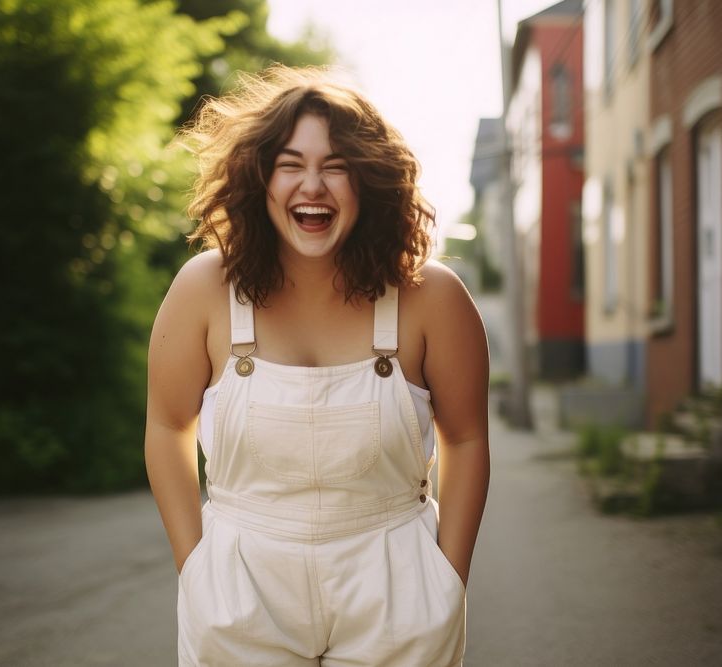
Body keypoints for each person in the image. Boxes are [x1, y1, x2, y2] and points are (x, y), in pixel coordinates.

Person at [144, 65, 490, 666]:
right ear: (261, 180)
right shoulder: (204, 287)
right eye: (290, 164)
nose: (314, 186)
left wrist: (446, 580)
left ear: (370, 182)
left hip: (395, 586)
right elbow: (168, 425)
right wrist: (196, 566)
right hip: (241, 586)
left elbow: (466, 437)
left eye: (336, 166)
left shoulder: (431, 296)